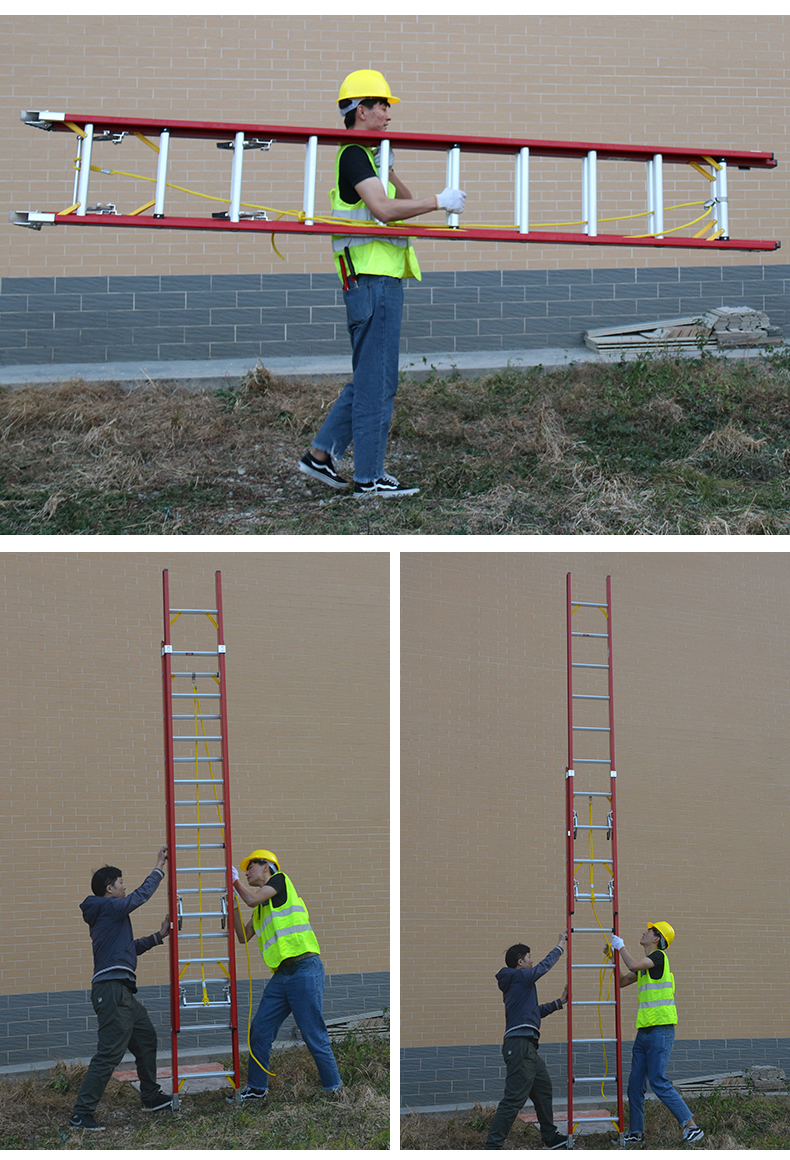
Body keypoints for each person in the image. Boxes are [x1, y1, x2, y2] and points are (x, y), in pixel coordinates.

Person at [298, 68, 466, 499]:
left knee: (371, 377)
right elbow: (385, 211)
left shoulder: (368, 156)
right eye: (382, 105)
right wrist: (438, 201)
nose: (389, 113)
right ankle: (369, 479)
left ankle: (320, 455)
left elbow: (396, 199)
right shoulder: (353, 153)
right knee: (377, 383)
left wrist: (389, 168)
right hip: (371, 281)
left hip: (377, 281)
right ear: (361, 110)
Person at [69, 846, 171, 1131]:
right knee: (109, 1054)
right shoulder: (106, 907)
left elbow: (129, 948)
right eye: (121, 882)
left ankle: (150, 1096)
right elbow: (140, 896)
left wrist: (158, 937)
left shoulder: (111, 915)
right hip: (111, 990)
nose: (124, 886)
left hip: (123, 992)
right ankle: (81, 1113)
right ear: (109, 889)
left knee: (146, 1039)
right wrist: (159, 866)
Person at [229, 848, 342, 1101]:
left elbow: (251, 899)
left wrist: (235, 882)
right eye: (245, 870)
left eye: (251, 866)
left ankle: (334, 1089)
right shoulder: (260, 909)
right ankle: (257, 1088)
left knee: (312, 1032)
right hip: (283, 975)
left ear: (267, 866)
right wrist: (230, 902)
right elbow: (242, 936)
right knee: (259, 1029)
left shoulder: (280, 880)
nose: (247, 872)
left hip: (305, 967)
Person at [613, 922, 704, 1146]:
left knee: (658, 1081)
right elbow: (623, 981)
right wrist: (613, 959)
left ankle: (691, 1127)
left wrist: (621, 947)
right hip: (644, 1031)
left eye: (649, 931)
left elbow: (632, 964)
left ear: (656, 938)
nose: (644, 932)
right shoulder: (646, 967)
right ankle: (636, 1132)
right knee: (635, 1084)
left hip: (660, 1031)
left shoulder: (659, 957)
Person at [484, 932, 569, 1150]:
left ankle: (550, 1138)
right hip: (520, 1046)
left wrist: (559, 1003)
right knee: (513, 1099)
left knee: (543, 1089)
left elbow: (534, 1011)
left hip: (527, 1046)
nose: (532, 961)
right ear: (520, 962)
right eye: (529, 957)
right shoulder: (519, 977)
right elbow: (542, 968)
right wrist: (560, 944)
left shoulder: (519, 984)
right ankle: (492, 1147)